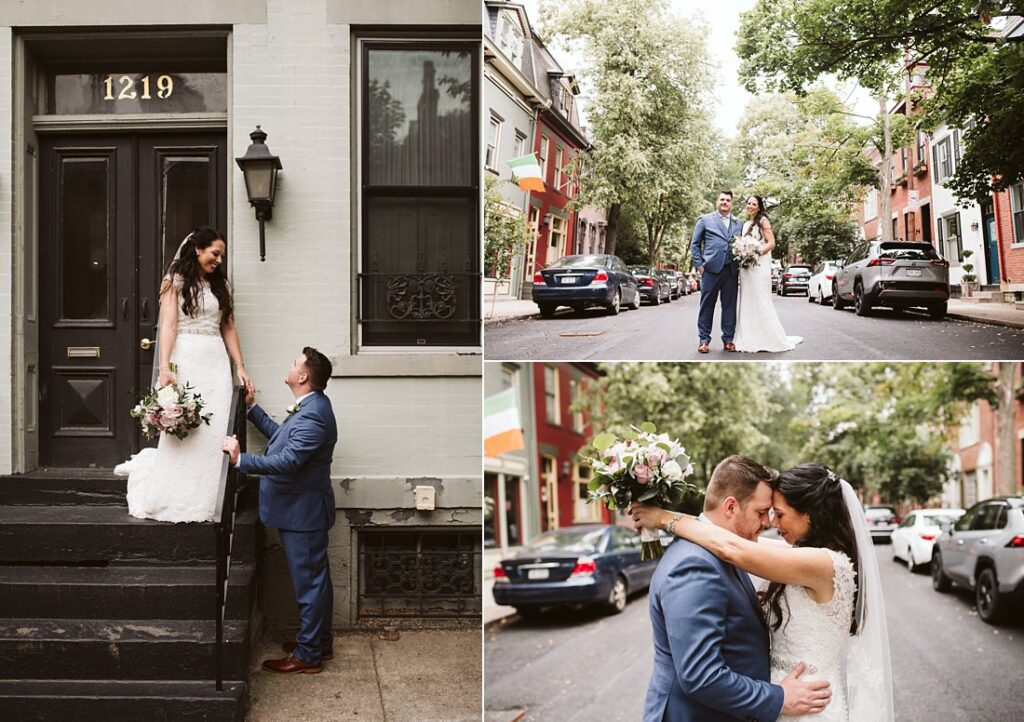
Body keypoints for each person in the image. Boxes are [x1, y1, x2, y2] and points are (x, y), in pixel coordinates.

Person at [632, 463, 893, 722]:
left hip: (809, 703)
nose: (770, 523)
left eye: (778, 514)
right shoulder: (697, 563)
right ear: (731, 506)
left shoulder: (822, 563)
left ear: (809, 515)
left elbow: (734, 548)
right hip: (781, 700)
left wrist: (664, 518)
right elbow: (736, 545)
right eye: (765, 512)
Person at [115, 227, 252, 522]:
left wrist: (239, 365)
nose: (218, 260)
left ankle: (211, 498)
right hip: (187, 357)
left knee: (215, 427)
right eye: (215, 254)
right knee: (189, 427)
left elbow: (228, 326)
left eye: (222, 256)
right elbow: (168, 326)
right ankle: (177, 494)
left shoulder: (220, 285)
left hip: (215, 360)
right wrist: (165, 367)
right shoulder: (174, 282)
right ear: (198, 250)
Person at [223, 347, 338, 675]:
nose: (289, 366)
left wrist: (240, 460)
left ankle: (309, 655)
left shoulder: (315, 414)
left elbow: (287, 462)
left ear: (303, 376)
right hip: (300, 512)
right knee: (315, 582)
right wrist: (252, 409)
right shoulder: (310, 407)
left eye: (294, 364)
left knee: (310, 586)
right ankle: (319, 641)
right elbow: (281, 440)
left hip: (303, 515)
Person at [733, 196, 803, 353]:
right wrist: (742, 251)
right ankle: (748, 337)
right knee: (747, 300)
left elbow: (771, 243)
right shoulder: (745, 224)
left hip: (759, 264)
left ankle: (769, 337)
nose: (750, 206)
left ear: (759, 207)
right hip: (746, 268)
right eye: (749, 203)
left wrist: (755, 252)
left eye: (754, 204)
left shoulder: (763, 220)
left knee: (760, 298)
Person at [691, 191, 744, 354]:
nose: (725, 202)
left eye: (728, 200)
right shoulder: (705, 220)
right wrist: (700, 266)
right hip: (711, 271)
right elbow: (695, 244)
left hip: (731, 271)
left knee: (729, 307)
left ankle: (728, 340)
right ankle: (704, 340)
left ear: (732, 204)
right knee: (707, 306)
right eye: (722, 199)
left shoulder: (739, 223)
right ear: (717, 202)